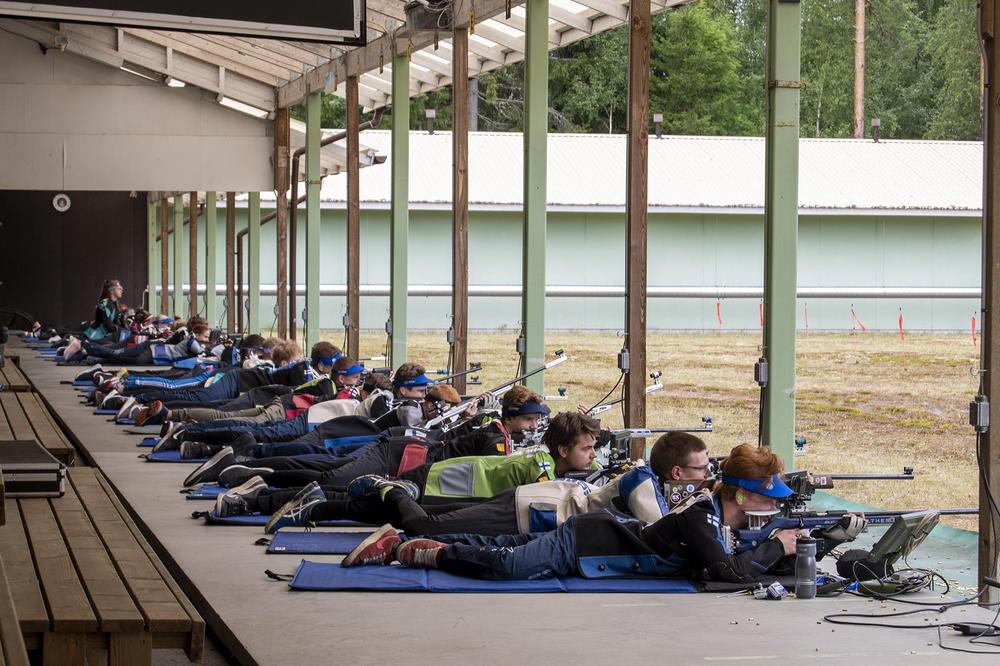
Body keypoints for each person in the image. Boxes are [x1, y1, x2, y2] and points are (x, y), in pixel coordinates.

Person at [341, 443, 825, 583]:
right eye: (769, 498)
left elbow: (730, 557)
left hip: (590, 536)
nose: (775, 505)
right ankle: (409, 549)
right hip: (585, 540)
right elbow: (726, 570)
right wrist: (775, 546)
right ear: (739, 496)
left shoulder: (715, 515)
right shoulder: (703, 514)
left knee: (499, 547)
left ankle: (405, 542)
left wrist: (818, 542)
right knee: (508, 565)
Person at [332, 431, 713, 540]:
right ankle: (393, 490)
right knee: (422, 527)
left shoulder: (648, 480)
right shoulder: (643, 481)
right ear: (677, 473)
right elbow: (658, 532)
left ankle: (323, 506)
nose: (706, 474)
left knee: (427, 516)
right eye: (701, 469)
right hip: (530, 512)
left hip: (535, 504)